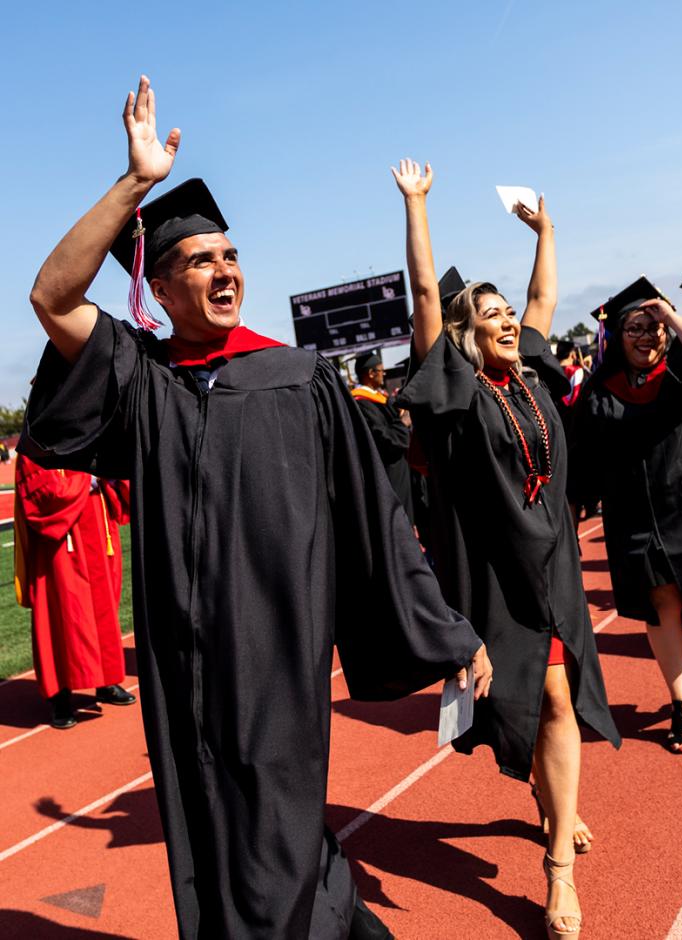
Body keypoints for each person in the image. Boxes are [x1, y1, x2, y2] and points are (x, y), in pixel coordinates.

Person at [21, 77, 491, 940]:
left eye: (230, 256)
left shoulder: (298, 378)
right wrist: (136, 183)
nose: (225, 270)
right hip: (178, 658)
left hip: (276, 650)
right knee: (215, 834)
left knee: (273, 836)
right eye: (200, 260)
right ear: (158, 290)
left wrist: (446, 629)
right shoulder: (143, 382)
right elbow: (52, 297)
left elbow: (373, 517)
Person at [392, 158, 620, 940]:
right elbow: (427, 298)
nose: (506, 319)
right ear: (465, 332)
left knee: (559, 700)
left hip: (555, 567)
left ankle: (557, 866)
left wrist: (547, 231)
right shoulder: (455, 398)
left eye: (505, 311)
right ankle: (551, 800)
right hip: (491, 576)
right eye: (488, 313)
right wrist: (418, 206)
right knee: (520, 713)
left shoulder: (532, 373)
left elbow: (543, 298)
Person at [570, 278, 682, 754]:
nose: (646, 335)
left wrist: (673, 315)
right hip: (634, 516)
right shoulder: (600, 391)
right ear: (617, 336)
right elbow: (584, 457)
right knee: (661, 606)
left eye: (654, 326)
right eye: (635, 326)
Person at [14, 455, 136, 728]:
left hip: (99, 531)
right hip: (61, 543)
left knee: (104, 612)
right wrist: (85, 481)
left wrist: (113, 476)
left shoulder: (92, 430)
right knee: (61, 615)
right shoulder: (38, 440)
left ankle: (106, 681)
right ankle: (60, 696)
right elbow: (38, 491)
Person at [350, 349, 414, 521]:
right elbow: (384, 440)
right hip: (388, 475)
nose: (383, 374)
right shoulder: (361, 404)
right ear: (370, 374)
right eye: (380, 370)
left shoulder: (379, 399)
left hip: (399, 471)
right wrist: (403, 423)